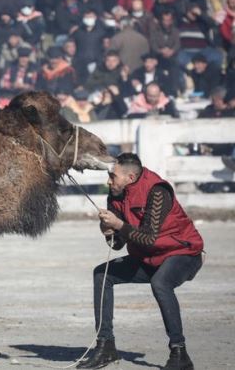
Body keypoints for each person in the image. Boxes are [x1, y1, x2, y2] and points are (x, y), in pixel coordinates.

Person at [79, 153, 204, 370]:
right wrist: (107, 231)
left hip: (183, 253)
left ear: (130, 176)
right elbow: (117, 244)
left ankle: (180, 353)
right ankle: (106, 346)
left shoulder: (158, 191)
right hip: (148, 257)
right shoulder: (116, 193)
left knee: (161, 283)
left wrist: (118, 224)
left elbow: (148, 238)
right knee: (102, 274)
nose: (109, 180)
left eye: (112, 175)